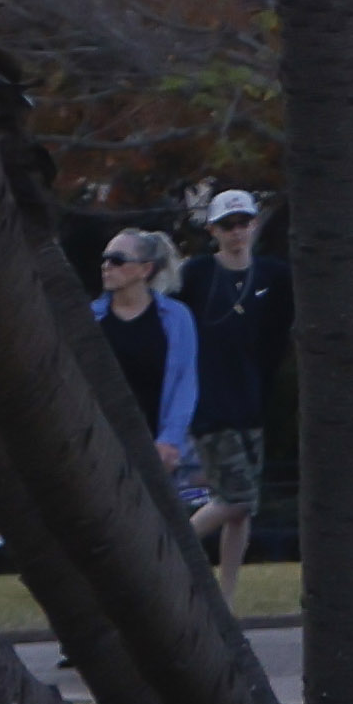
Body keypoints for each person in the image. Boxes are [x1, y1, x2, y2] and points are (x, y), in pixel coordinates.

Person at [86, 225, 220, 568]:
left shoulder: (175, 318)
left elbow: (185, 385)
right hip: (101, 443)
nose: (107, 267)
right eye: (104, 259)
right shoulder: (90, 320)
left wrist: (170, 441)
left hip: (156, 446)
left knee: (155, 530)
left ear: (145, 269)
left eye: (117, 260)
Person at [177, 189, 287, 566]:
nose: (237, 232)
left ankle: (227, 592)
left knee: (243, 509)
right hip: (208, 403)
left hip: (252, 400)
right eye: (228, 225)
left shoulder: (273, 274)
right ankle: (172, 548)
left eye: (243, 223)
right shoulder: (196, 274)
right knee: (235, 498)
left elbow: (279, 335)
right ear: (213, 230)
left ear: (254, 225)